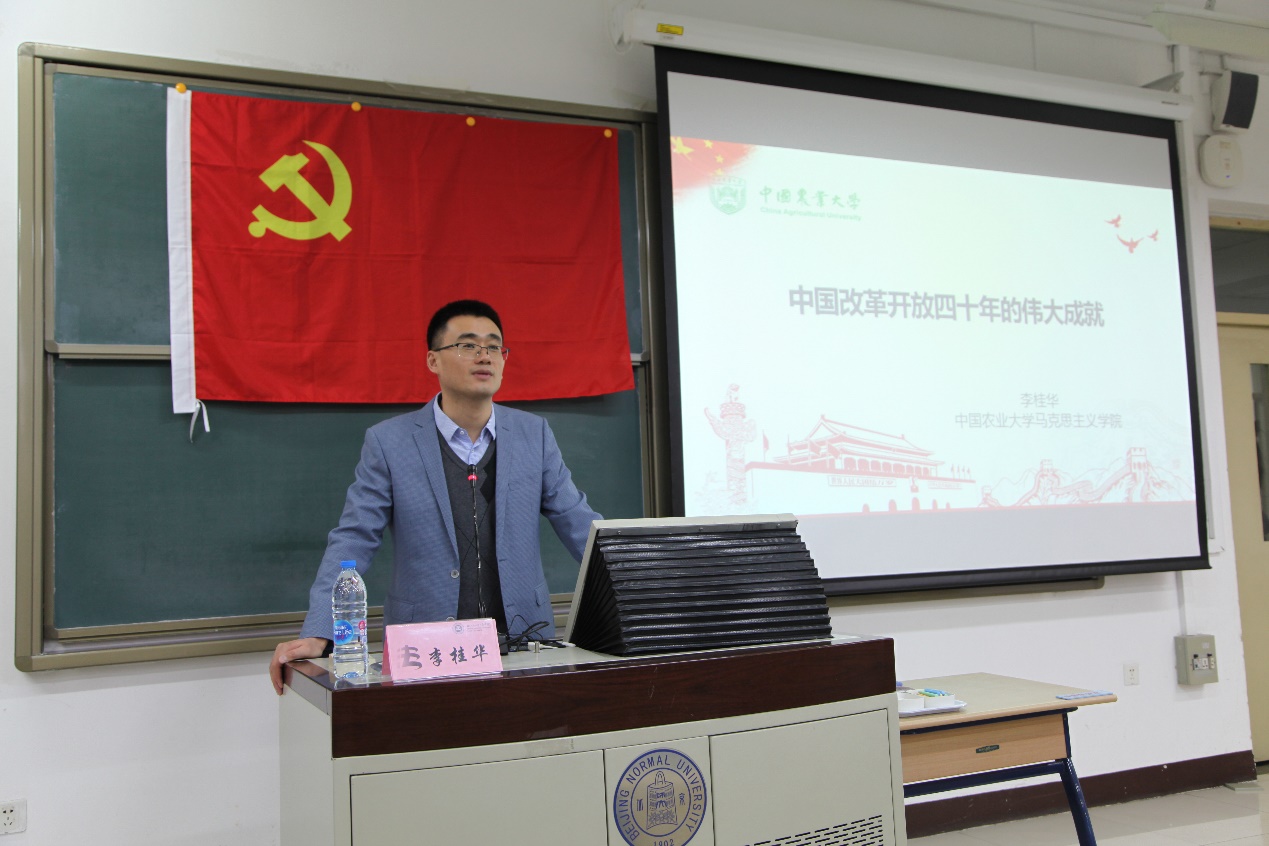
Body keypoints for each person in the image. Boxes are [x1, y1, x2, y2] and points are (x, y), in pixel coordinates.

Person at [269, 299, 601, 694]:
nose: (484, 355)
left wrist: (642, 591)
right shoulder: (389, 442)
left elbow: (579, 523)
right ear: (433, 360)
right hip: (425, 651)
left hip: (525, 645)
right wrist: (320, 631)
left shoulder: (534, 434)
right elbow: (354, 537)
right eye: (467, 345)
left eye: (494, 346)